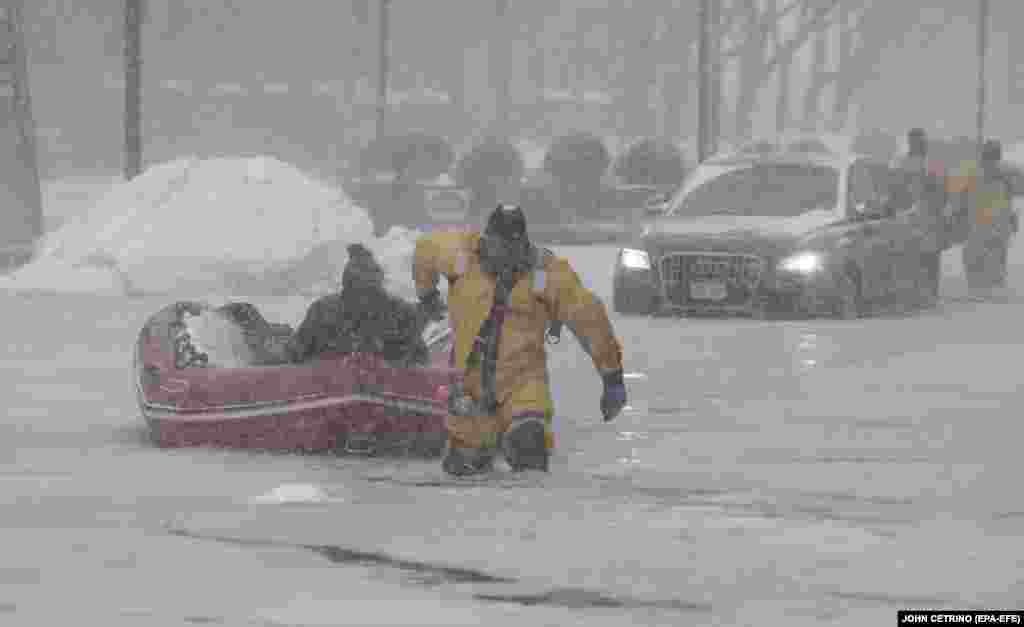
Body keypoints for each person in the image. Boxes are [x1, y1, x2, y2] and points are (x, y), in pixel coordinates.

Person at [412, 204, 627, 477]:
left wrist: (612, 377)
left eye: (509, 249)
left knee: (529, 448)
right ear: (484, 240)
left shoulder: (547, 275)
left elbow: (590, 320)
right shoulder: (460, 254)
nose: (500, 257)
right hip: (469, 389)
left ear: (522, 245)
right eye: (494, 246)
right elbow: (424, 251)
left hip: (523, 384)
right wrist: (427, 294)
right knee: (463, 469)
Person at [286, 243, 429, 365]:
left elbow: (421, 361)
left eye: (370, 292)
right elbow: (295, 354)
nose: (364, 300)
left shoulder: (401, 312)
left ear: (379, 285)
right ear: (347, 286)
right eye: (356, 290)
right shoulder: (322, 311)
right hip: (333, 390)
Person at [947, 140, 1017, 298]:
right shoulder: (1004, 178)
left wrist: (956, 217)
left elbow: (962, 202)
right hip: (993, 230)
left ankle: (982, 292)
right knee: (993, 273)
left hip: (980, 231)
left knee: (978, 273)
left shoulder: (975, 176)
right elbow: (1009, 203)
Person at [890, 128, 949, 304]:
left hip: (922, 219)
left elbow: (942, 193)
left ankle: (926, 293)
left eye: (920, 141)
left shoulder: (908, 163)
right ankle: (923, 293)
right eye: (917, 141)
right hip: (915, 219)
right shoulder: (907, 163)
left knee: (924, 258)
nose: (919, 145)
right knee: (919, 258)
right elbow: (895, 191)